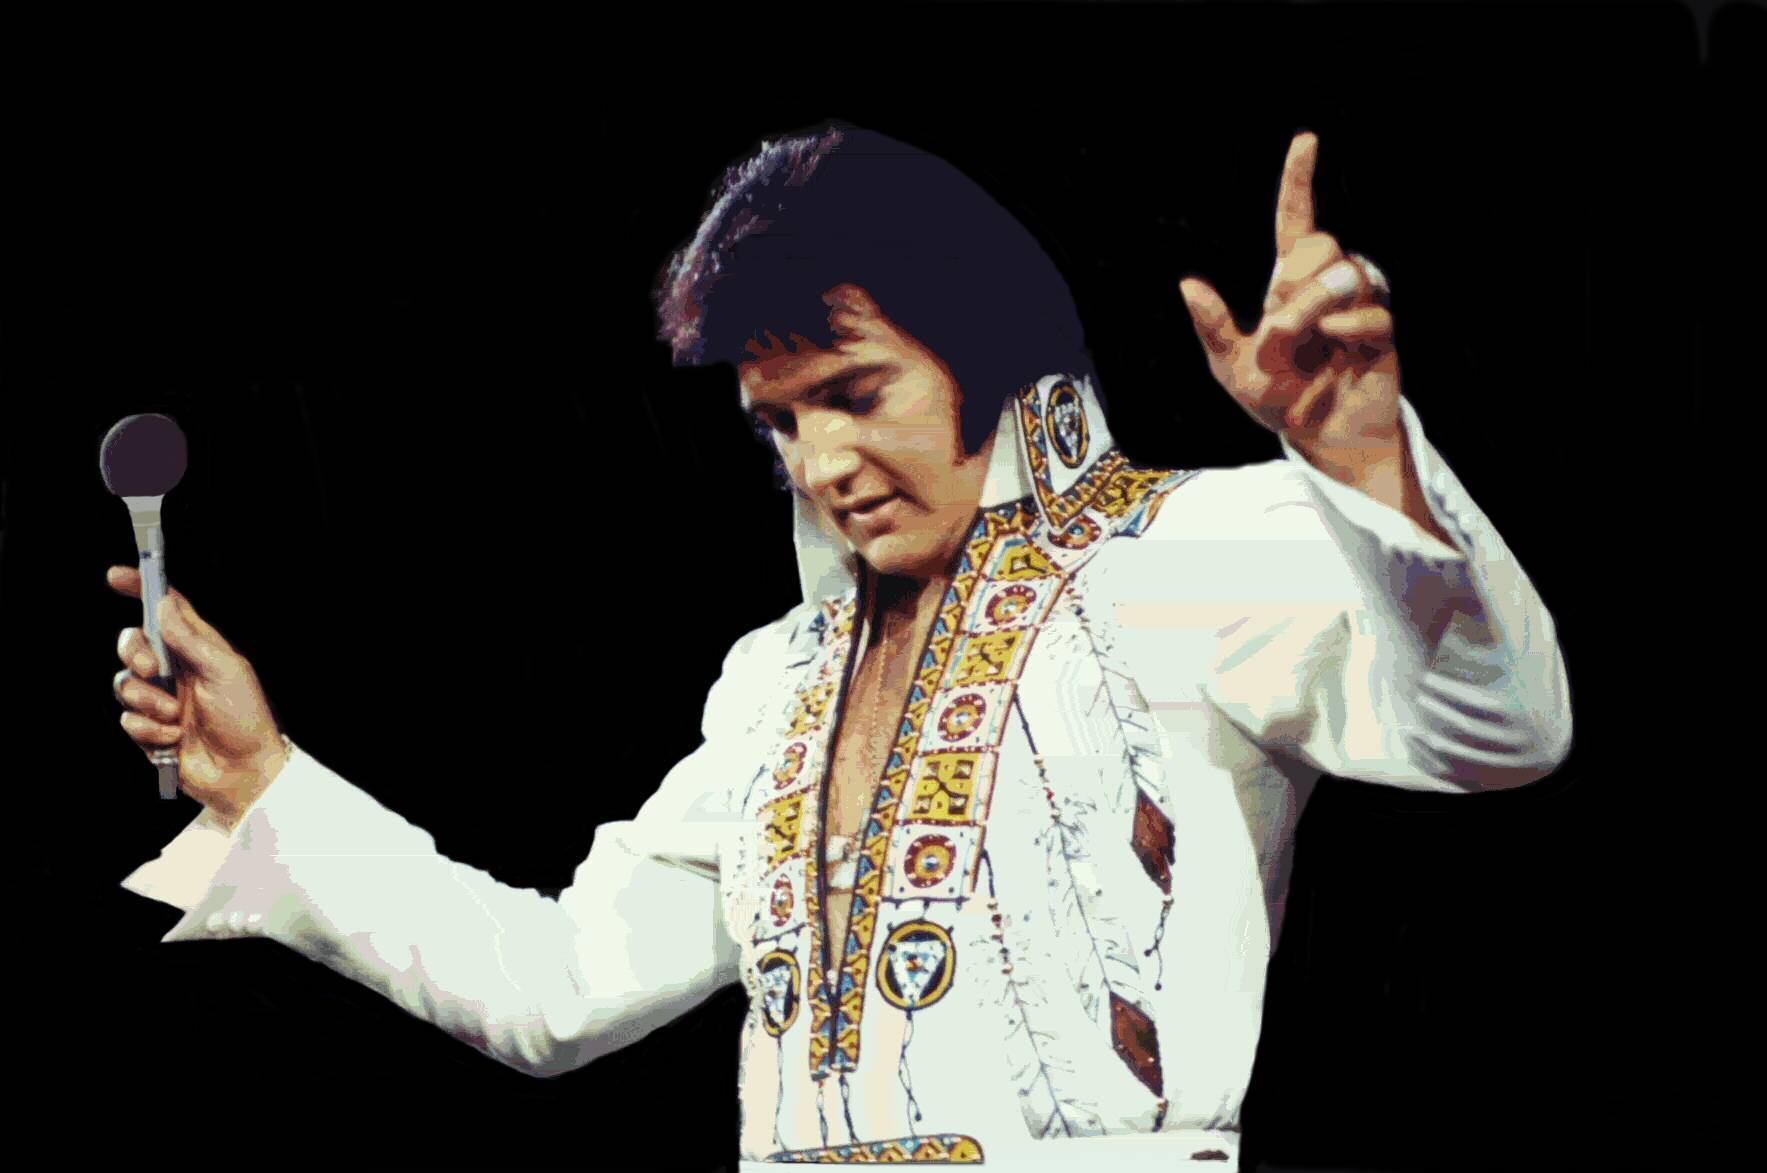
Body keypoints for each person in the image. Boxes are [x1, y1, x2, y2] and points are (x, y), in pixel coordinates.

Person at [110, 120, 1572, 1171]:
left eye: (857, 393)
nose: (820, 463)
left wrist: (1368, 473)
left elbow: (1502, 733)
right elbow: (556, 987)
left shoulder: (1181, 554)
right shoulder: (776, 682)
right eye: (781, 422)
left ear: (991, 359)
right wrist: (274, 783)